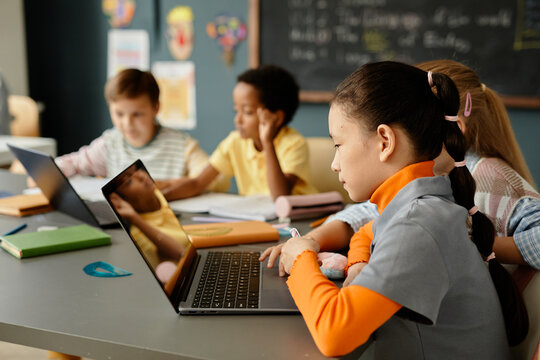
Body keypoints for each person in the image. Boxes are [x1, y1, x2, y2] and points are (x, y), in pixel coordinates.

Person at [273, 61, 528, 358]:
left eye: (338, 144)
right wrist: (358, 265)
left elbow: (336, 335)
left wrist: (300, 258)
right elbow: (367, 232)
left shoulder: (418, 224)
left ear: (384, 141)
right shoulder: (417, 208)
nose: (334, 163)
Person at [261, 60, 540, 280]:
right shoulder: (432, 177)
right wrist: (311, 241)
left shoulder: (489, 176)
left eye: (418, 123)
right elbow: (369, 215)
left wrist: (470, 241)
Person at [159, 65, 317, 201]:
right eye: (236, 111)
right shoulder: (235, 142)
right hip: (258, 219)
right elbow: (198, 183)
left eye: (247, 112)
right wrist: (160, 197)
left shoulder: (295, 144)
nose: (237, 120)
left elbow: (280, 196)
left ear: (276, 117)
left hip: (300, 221)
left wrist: (267, 142)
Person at [54, 68, 229, 191]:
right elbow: (74, 163)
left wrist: (169, 185)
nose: (127, 123)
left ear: (156, 108)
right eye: (119, 114)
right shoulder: (110, 143)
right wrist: (47, 175)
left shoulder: (182, 146)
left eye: (137, 114)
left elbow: (215, 180)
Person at [109, 165, 189, 270]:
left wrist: (168, 183)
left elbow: (194, 184)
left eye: (137, 170)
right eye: (128, 182)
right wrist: (134, 217)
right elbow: (181, 254)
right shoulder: (140, 236)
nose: (142, 177)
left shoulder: (155, 193)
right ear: (122, 201)